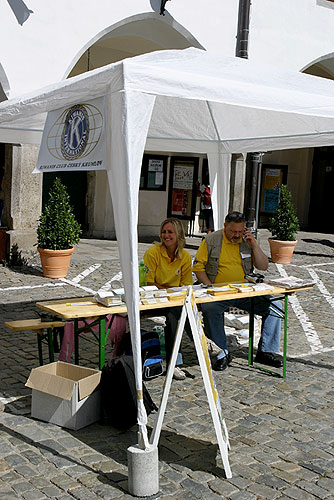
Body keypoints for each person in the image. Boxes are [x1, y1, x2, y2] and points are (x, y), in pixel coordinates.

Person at [193, 211, 283, 371]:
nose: (236, 235)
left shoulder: (247, 241)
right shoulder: (211, 240)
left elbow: (263, 266)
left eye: (240, 232)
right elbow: (198, 268)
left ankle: (266, 351)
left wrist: (254, 244)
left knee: (276, 306)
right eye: (233, 231)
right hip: (218, 292)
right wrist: (210, 288)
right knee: (210, 308)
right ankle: (221, 354)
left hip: (245, 292)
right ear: (224, 226)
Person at [144, 217, 193, 380]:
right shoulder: (153, 252)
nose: (166, 235)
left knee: (180, 313)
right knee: (178, 312)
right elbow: (150, 283)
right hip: (153, 299)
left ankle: (175, 362)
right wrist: (171, 290)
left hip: (174, 301)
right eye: (164, 232)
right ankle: (202, 347)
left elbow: (186, 285)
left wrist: (171, 291)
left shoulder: (185, 256)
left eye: (170, 232)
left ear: (178, 234)